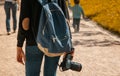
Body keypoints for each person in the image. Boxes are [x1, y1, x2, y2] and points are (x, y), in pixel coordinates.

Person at [16, 0, 69, 76]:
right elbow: (66, 20)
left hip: (33, 41)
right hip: (55, 42)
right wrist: (69, 44)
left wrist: (19, 45)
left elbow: (25, 22)